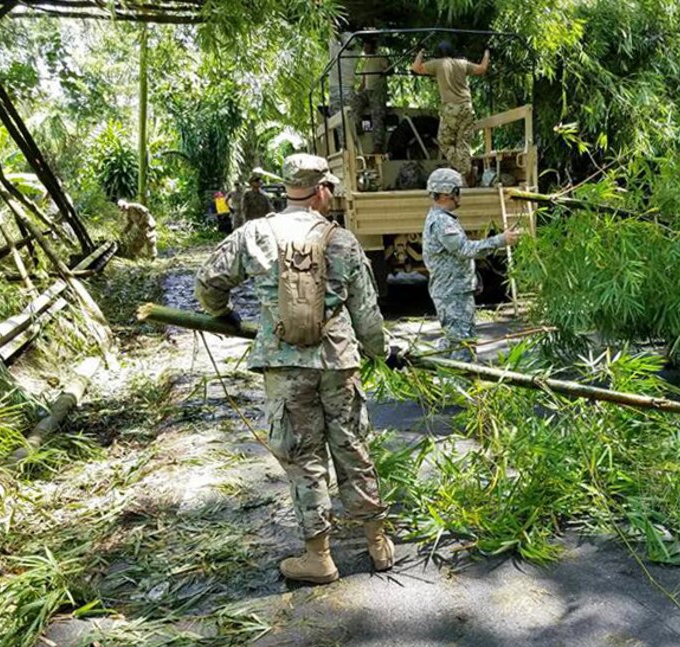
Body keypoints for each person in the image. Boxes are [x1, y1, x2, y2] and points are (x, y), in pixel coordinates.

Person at [194, 153, 395, 585]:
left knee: (303, 457)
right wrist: (383, 350)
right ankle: (378, 544)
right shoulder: (342, 241)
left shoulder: (254, 234)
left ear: (285, 189)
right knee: (352, 446)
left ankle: (319, 557)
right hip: (338, 363)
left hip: (285, 366)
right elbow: (367, 316)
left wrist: (223, 314)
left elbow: (209, 282)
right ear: (321, 190)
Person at [421, 167, 519, 360]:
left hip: (452, 290)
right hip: (453, 293)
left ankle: (442, 376)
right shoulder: (442, 222)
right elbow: (466, 250)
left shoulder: (441, 219)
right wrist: (501, 240)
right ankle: (462, 385)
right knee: (463, 345)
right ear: (450, 193)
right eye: (459, 191)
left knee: (453, 341)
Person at [411, 41, 490, 177]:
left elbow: (415, 68)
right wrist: (487, 52)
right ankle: (466, 170)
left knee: (444, 141)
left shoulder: (438, 63)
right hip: (466, 107)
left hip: (451, 109)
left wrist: (421, 51)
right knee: (463, 143)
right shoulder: (462, 63)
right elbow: (482, 68)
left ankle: (465, 169)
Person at [351, 36, 388, 155]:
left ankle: (378, 145)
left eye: (367, 45)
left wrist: (384, 72)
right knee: (354, 102)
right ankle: (357, 126)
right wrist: (357, 92)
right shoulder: (366, 62)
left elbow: (390, 68)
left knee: (377, 115)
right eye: (364, 46)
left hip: (377, 91)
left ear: (372, 46)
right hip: (367, 91)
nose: (365, 48)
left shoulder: (379, 57)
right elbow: (363, 82)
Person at [327, 30, 358, 114]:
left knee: (336, 117)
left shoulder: (336, 51)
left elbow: (332, 35)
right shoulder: (355, 56)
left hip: (336, 90)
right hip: (349, 91)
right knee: (348, 117)